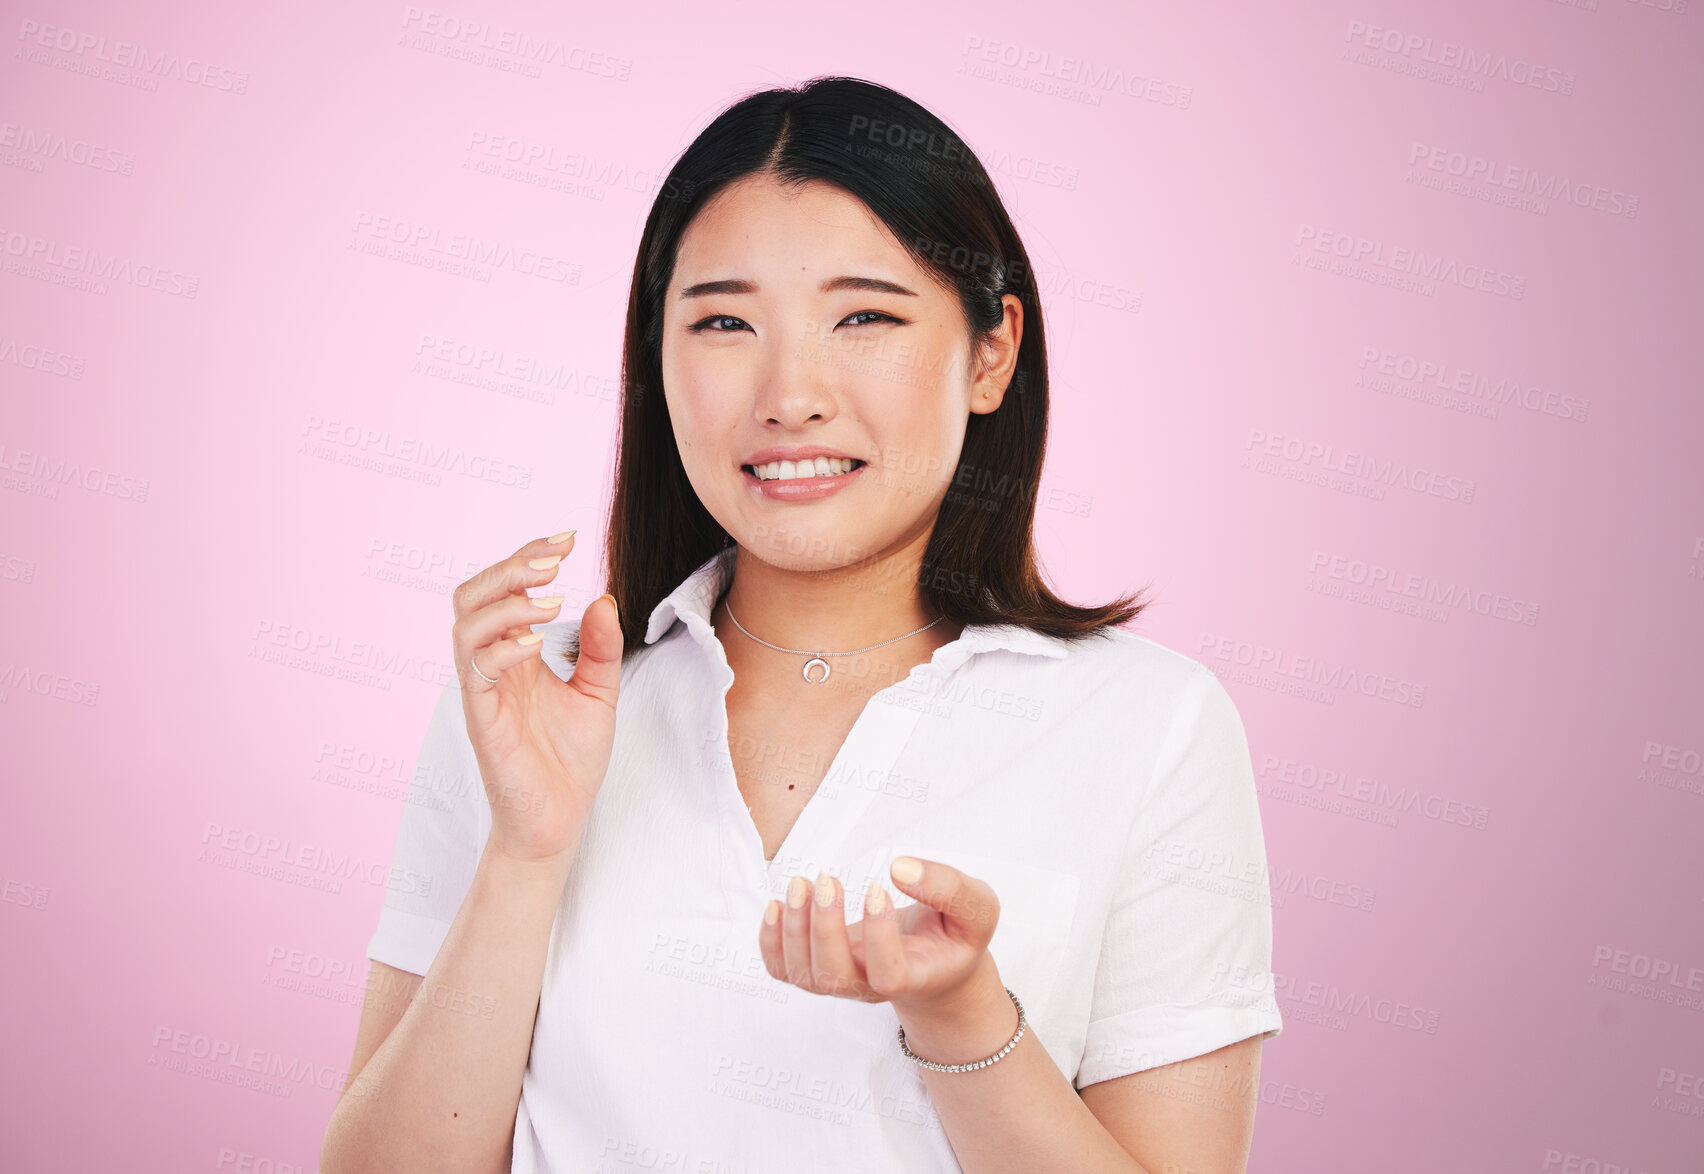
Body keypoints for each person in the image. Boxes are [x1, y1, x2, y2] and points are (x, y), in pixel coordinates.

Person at [321, 75, 1282, 1174]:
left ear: (990, 352)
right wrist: (527, 853)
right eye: (725, 321)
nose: (790, 394)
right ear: (655, 359)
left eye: (865, 315)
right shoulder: (531, 705)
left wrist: (963, 1015)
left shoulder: (1150, 725)